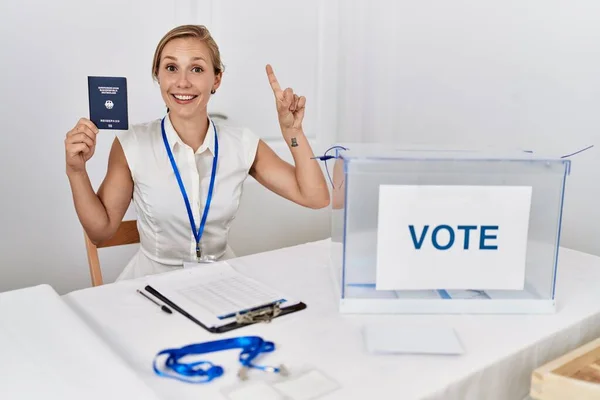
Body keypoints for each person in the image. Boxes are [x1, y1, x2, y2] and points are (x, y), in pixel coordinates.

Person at [64, 24, 330, 280]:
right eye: (171, 68)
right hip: (152, 286)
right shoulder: (131, 144)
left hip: (221, 280)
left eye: (196, 69)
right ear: (158, 76)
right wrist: (76, 171)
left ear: (216, 79)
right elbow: (100, 233)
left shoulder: (242, 143)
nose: (182, 82)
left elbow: (315, 197)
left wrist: (293, 134)